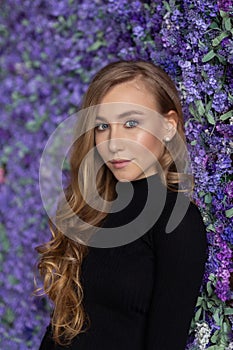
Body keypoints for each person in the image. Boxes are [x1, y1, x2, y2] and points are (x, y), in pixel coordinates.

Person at [36, 60, 208, 349]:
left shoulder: (176, 220)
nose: (114, 143)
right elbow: (61, 331)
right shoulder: (94, 207)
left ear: (168, 126)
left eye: (131, 123)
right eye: (103, 126)